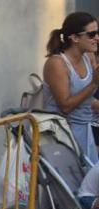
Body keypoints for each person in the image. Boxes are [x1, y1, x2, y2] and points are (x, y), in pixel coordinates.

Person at [43, 11, 99, 165]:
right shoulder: (57, 63)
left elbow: (87, 100)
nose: (97, 38)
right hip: (63, 136)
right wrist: (94, 83)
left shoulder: (88, 57)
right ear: (74, 38)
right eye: (92, 34)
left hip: (87, 132)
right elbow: (66, 106)